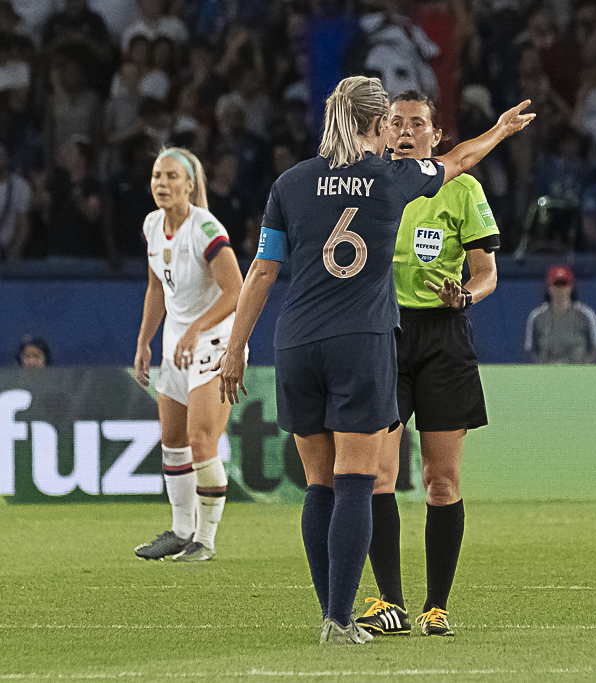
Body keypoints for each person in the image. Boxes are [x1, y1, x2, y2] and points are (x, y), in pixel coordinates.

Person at [215, 76, 533, 646]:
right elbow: (459, 159)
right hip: (360, 342)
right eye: (392, 121)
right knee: (358, 481)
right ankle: (341, 618)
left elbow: (261, 270)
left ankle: (331, 613)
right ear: (378, 125)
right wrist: (499, 131)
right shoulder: (392, 179)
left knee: (318, 485)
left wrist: (235, 347)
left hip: (295, 342)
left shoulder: (290, 182)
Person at [353, 91, 500, 639]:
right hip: (385, 335)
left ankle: (436, 606)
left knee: (442, 479)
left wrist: (466, 296)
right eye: (396, 122)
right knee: (379, 476)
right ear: (383, 132)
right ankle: (390, 602)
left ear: (436, 137)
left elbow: (487, 272)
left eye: (418, 123)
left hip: (443, 337)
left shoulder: (462, 189)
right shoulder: (369, 184)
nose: (406, 131)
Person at [133, 146, 244, 564]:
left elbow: (236, 291)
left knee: (201, 440)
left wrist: (196, 328)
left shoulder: (206, 229)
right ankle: (181, 532)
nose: (161, 183)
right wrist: (144, 342)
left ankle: (205, 540)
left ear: (190, 185)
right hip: (176, 342)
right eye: (157, 175)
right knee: (173, 441)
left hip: (214, 342)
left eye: (171, 176)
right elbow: (155, 287)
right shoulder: (152, 225)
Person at [525, 265, 596, 364]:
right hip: (547, 372)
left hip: (578, 371)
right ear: (549, 288)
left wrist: (584, 369)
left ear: (571, 287)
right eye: (556, 284)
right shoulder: (536, 316)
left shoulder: (586, 314)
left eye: (564, 284)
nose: (560, 289)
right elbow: (531, 351)